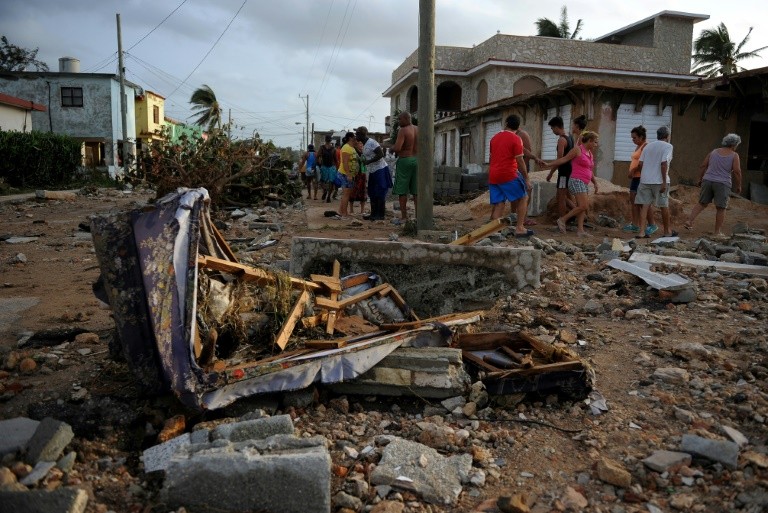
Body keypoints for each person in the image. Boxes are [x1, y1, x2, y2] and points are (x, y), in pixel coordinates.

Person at [541, 131, 600, 237]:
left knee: (581, 207)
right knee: (583, 205)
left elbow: (590, 170)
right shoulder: (578, 149)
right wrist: (548, 165)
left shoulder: (590, 153)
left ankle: (580, 230)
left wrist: (595, 183)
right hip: (576, 180)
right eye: (595, 142)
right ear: (590, 141)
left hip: (584, 182)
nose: (596, 145)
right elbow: (563, 159)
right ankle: (562, 220)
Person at [684, 133, 742, 236]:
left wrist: (700, 179)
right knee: (721, 208)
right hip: (722, 183)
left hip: (708, 180)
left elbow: (703, 166)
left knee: (702, 203)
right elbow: (737, 171)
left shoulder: (714, 152)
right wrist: (738, 185)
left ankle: (689, 221)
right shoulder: (734, 155)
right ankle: (717, 232)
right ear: (734, 145)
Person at [488, 115, 533, 237]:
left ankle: (493, 231)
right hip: (508, 174)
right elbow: (520, 161)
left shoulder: (494, 138)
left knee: (499, 203)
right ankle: (520, 227)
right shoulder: (516, 139)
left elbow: (491, 158)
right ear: (518, 127)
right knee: (523, 197)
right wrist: (526, 178)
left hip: (493, 175)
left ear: (506, 123)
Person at [636, 126, 676, 238]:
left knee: (645, 206)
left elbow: (640, 164)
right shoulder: (668, 146)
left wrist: (645, 174)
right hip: (659, 181)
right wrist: (664, 182)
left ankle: (641, 232)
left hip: (645, 180)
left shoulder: (647, 147)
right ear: (667, 136)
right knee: (664, 205)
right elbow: (664, 164)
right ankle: (667, 231)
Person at [623, 126, 657, 234]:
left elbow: (644, 162)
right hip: (635, 177)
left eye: (634, 138)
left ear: (641, 137)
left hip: (641, 177)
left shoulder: (645, 146)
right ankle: (635, 224)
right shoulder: (638, 146)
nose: (633, 140)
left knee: (643, 202)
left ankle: (652, 224)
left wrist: (633, 170)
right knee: (634, 201)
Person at [356, 126, 392, 221]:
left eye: (357, 134)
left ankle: (380, 215)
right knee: (372, 192)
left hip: (380, 169)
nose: (356, 136)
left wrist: (369, 161)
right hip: (372, 171)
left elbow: (381, 154)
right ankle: (373, 214)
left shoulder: (372, 142)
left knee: (380, 192)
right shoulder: (364, 144)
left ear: (362, 134)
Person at [390, 111, 418, 225]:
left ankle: (404, 217)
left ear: (407, 119)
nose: (398, 121)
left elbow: (397, 148)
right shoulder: (418, 129)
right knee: (416, 191)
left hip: (405, 160)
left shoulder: (403, 130)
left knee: (402, 191)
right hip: (417, 160)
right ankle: (418, 217)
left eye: (400, 119)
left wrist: (391, 148)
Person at [545, 116, 575, 220]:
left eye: (552, 128)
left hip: (564, 172)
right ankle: (578, 213)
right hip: (569, 170)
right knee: (564, 196)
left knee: (561, 198)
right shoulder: (570, 136)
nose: (552, 131)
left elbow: (559, 160)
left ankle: (562, 220)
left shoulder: (562, 140)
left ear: (557, 127)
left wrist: (550, 173)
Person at [337, 132, 358, 217]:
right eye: (354, 137)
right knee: (346, 194)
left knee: (347, 194)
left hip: (349, 174)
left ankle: (341, 211)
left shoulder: (351, 147)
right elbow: (345, 162)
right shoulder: (346, 147)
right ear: (350, 138)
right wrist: (349, 174)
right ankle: (344, 214)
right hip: (345, 173)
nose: (356, 138)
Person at [318, 135, 339, 203]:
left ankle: (325, 190)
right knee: (331, 182)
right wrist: (337, 168)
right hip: (332, 167)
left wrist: (318, 164)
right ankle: (328, 197)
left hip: (324, 166)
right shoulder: (333, 149)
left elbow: (318, 156)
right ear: (331, 140)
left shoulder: (322, 148)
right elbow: (336, 160)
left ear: (325, 140)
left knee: (322, 181)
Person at [350, 138, 368, 214]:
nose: (361, 145)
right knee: (353, 191)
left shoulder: (363, 153)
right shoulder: (354, 153)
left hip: (363, 174)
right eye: (360, 144)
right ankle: (351, 209)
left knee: (363, 192)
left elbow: (365, 165)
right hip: (356, 174)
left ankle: (362, 210)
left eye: (362, 144)